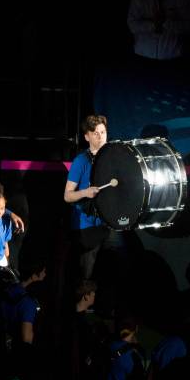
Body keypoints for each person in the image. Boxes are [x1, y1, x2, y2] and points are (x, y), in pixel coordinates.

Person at [64, 114, 110, 280]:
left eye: (103, 132)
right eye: (96, 133)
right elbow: (67, 196)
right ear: (87, 136)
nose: (100, 136)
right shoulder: (81, 161)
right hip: (86, 228)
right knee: (86, 276)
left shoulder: (111, 159)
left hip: (107, 223)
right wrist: (85, 192)